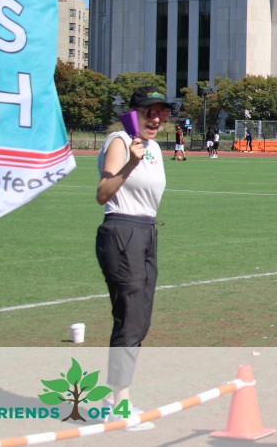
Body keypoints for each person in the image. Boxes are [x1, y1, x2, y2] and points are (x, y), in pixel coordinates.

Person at [95, 87, 175, 430]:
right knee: (129, 317)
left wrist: (141, 155)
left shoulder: (153, 147)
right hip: (122, 230)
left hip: (146, 232)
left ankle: (112, 398)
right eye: (148, 112)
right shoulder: (119, 141)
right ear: (133, 113)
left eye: (161, 113)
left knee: (140, 319)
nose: (155, 119)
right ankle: (119, 404)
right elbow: (102, 193)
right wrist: (131, 162)